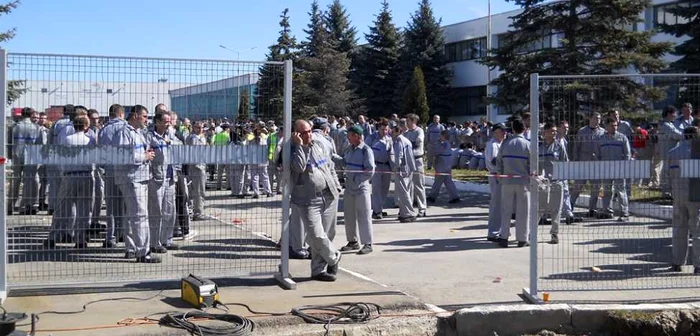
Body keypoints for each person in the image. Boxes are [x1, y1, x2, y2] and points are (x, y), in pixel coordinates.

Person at [290, 119, 342, 281]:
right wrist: (301, 146)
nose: (308, 135)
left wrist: (337, 186)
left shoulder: (318, 145)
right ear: (296, 134)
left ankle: (318, 270)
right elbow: (299, 167)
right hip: (309, 199)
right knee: (316, 235)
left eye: (309, 131)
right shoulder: (291, 149)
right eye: (303, 132)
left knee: (327, 234)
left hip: (329, 195)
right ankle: (334, 257)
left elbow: (329, 166)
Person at [114, 105, 159, 263]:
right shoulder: (124, 132)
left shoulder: (138, 133)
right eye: (145, 116)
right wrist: (145, 156)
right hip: (131, 179)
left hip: (140, 177)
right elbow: (125, 156)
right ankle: (142, 252)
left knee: (133, 215)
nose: (147, 120)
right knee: (140, 216)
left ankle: (133, 248)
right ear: (135, 116)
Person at [46, 112, 96, 248]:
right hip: (86, 175)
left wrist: (64, 172)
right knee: (84, 209)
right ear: (86, 126)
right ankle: (80, 239)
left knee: (62, 207)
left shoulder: (66, 139)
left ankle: (53, 236)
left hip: (69, 175)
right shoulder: (90, 140)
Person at [667, 126, 700, 274]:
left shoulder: (672, 153)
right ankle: (698, 264)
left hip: (678, 195)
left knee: (679, 230)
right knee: (697, 231)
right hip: (695, 196)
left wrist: (672, 190)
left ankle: (677, 263)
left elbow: (666, 176)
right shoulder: (697, 154)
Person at [339, 125, 375, 255]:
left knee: (364, 215)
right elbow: (345, 162)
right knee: (349, 215)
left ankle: (368, 243)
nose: (348, 137)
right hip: (349, 187)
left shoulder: (366, 150)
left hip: (361, 188)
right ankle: (352, 241)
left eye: (350, 135)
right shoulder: (350, 149)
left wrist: (356, 179)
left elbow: (370, 170)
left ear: (357, 136)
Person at [146, 111, 179, 253]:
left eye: (169, 121)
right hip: (157, 179)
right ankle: (155, 242)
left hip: (170, 177)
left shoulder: (170, 134)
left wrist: (170, 142)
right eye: (165, 121)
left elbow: (180, 145)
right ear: (157, 122)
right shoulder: (149, 136)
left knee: (170, 211)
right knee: (156, 212)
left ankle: (167, 240)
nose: (168, 124)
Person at [496, 118, 531, 248]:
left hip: (507, 181)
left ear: (513, 128)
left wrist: (501, 177)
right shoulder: (528, 144)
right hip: (523, 182)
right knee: (523, 211)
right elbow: (533, 165)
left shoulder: (505, 143)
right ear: (524, 129)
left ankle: (504, 237)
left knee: (506, 210)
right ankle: (522, 239)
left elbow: (498, 162)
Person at [99, 104, 127, 248]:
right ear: (121, 114)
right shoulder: (126, 128)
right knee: (126, 204)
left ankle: (111, 236)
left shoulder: (104, 130)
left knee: (111, 205)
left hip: (109, 169)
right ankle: (123, 233)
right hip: (125, 169)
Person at [594, 118, 631, 222]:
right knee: (607, 191)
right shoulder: (601, 139)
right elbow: (597, 154)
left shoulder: (622, 138)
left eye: (615, 126)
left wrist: (624, 166)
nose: (614, 127)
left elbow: (627, 154)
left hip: (619, 169)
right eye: (612, 125)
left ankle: (624, 213)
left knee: (621, 191)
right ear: (606, 126)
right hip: (606, 169)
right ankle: (607, 211)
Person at [537, 123, 569, 244]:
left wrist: (563, 180)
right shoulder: (539, 147)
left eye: (555, 131)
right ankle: (531, 232)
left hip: (557, 181)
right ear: (544, 133)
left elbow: (565, 163)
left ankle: (554, 234)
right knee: (539, 208)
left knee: (556, 209)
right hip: (542, 183)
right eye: (552, 131)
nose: (554, 133)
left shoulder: (559, 147)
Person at [570, 112, 605, 218]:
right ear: (590, 118)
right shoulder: (582, 131)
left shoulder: (603, 132)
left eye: (599, 119)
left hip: (596, 166)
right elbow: (576, 147)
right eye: (595, 118)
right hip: (583, 164)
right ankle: (569, 207)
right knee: (577, 187)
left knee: (596, 189)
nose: (598, 120)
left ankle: (592, 209)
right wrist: (576, 162)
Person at [9, 107, 42, 215]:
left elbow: (9, 143)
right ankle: (26, 205)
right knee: (29, 180)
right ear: (31, 114)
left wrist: (10, 155)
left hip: (17, 154)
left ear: (22, 114)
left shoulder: (15, 127)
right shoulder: (36, 127)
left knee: (15, 179)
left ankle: (10, 205)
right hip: (31, 156)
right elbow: (40, 145)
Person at [366, 119, 392, 220]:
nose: (384, 132)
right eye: (382, 129)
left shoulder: (389, 139)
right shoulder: (371, 138)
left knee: (385, 189)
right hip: (376, 166)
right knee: (376, 189)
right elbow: (366, 151)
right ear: (378, 128)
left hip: (386, 166)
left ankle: (379, 208)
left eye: (386, 130)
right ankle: (376, 211)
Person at [391, 124, 418, 222]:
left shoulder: (399, 140)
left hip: (402, 169)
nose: (392, 133)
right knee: (406, 191)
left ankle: (409, 213)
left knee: (403, 192)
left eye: (393, 131)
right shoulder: (407, 140)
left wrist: (396, 167)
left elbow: (399, 155)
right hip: (409, 169)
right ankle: (403, 213)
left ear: (398, 132)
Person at [657, 106, 684, 196]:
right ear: (669, 114)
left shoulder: (669, 124)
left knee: (669, 171)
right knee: (666, 172)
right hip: (667, 151)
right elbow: (677, 135)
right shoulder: (666, 125)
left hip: (670, 151)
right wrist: (685, 135)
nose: (675, 115)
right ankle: (666, 191)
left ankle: (669, 190)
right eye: (674, 113)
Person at [427, 130, 460, 204]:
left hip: (442, 164)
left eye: (440, 135)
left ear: (443, 136)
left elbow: (436, 151)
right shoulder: (448, 144)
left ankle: (432, 197)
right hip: (448, 164)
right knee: (448, 181)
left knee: (437, 181)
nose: (439, 137)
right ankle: (455, 196)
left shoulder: (443, 144)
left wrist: (432, 148)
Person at [484, 123, 505, 241]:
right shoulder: (492, 145)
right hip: (495, 176)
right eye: (502, 130)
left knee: (501, 205)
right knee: (496, 205)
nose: (504, 132)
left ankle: (499, 230)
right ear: (495, 132)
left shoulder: (500, 143)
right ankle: (493, 233)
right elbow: (494, 162)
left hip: (501, 176)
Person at [404, 114, 427, 217]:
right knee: (408, 186)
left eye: (408, 121)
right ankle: (409, 209)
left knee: (419, 185)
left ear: (413, 121)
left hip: (417, 160)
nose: (406, 123)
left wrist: (408, 145)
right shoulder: (407, 133)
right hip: (408, 161)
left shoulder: (419, 131)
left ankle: (422, 208)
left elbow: (418, 142)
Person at [185, 121, 208, 222]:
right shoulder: (193, 138)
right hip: (197, 167)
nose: (200, 129)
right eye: (198, 127)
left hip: (200, 166)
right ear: (193, 128)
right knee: (199, 191)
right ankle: (198, 213)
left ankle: (194, 211)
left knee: (196, 191)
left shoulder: (200, 137)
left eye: (202, 127)